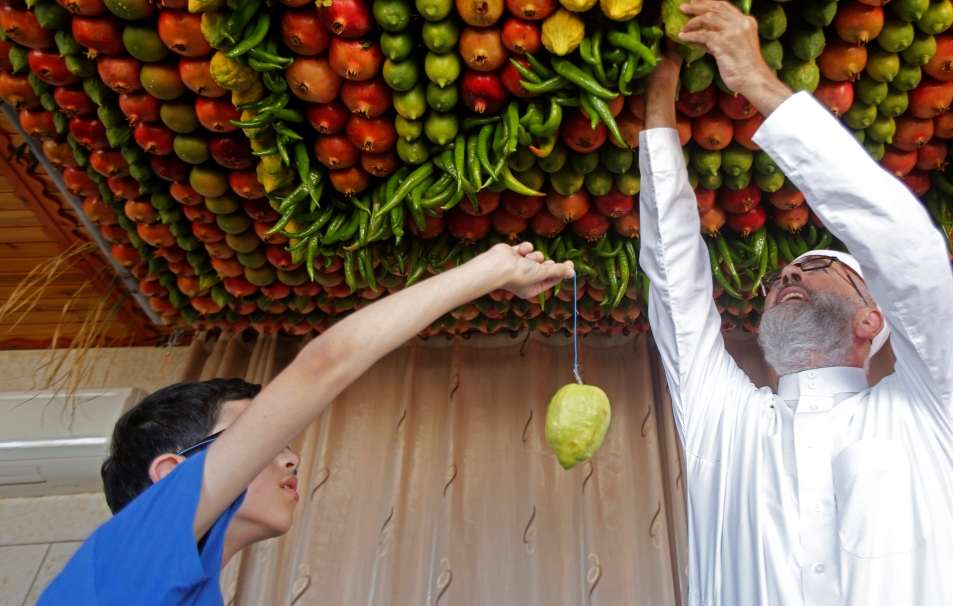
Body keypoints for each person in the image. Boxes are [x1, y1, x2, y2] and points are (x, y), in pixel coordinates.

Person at [639, 0, 953, 605]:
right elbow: (674, 281)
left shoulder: (934, 408)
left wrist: (758, 84)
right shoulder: (728, 426)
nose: (784, 279)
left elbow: (909, 253)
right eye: (782, 278)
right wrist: (661, 87)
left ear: (874, 318)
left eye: (814, 267)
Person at [39, 243, 573, 605]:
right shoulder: (121, 565)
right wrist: (492, 269)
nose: (290, 456)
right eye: (259, 440)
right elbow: (323, 364)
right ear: (171, 473)